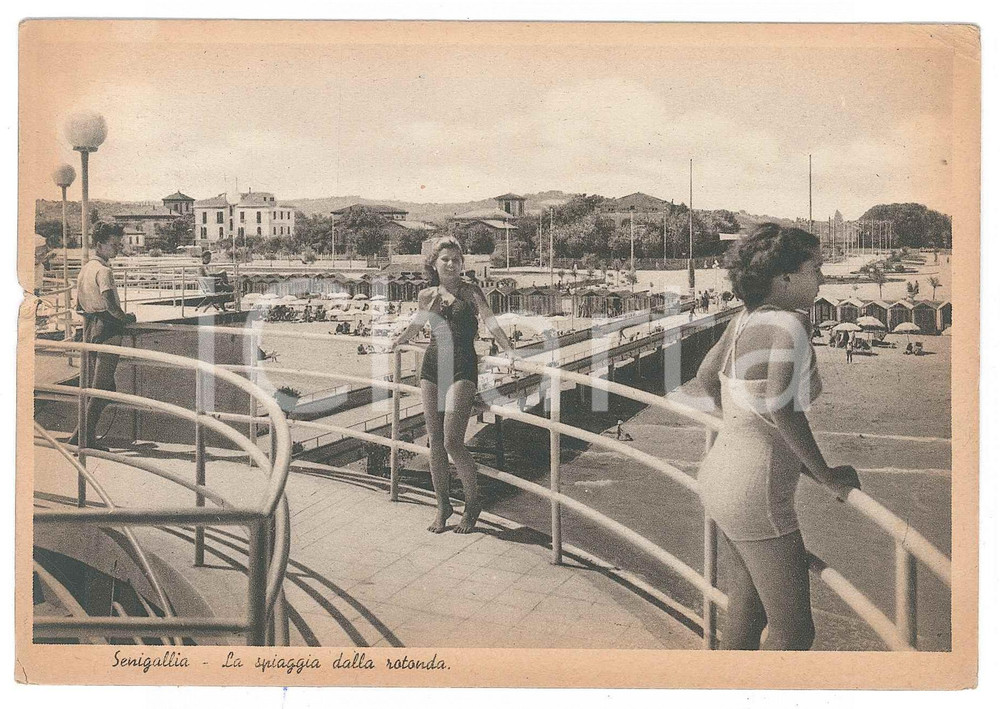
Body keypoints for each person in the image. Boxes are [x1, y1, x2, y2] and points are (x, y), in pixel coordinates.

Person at [695, 223, 860, 650]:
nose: (821, 278)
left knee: (747, 615)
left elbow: (706, 376)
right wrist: (826, 475)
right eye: (815, 268)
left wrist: (740, 423)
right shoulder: (792, 324)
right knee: (794, 631)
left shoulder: (744, 319)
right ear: (785, 278)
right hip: (757, 491)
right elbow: (779, 406)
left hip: (721, 474)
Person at [391, 236, 519, 534]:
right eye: (445, 259)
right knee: (434, 441)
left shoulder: (471, 292)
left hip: (463, 367)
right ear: (434, 264)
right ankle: (443, 505)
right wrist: (400, 340)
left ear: (462, 264)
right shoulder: (426, 295)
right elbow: (416, 326)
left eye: (456, 260)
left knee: (452, 441)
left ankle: (472, 502)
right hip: (432, 367)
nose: (450, 264)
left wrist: (509, 350)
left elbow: (491, 322)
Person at [66, 224, 137, 450]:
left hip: (90, 328)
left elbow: (78, 305)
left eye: (119, 244)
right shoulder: (104, 271)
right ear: (99, 244)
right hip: (107, 330)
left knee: (101, 387)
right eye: (114, 245)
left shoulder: (86, 268)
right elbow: (110, 303)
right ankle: (81, 437)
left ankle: (82, 434)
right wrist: (125, 318)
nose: (117, 249)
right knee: (101, 388)